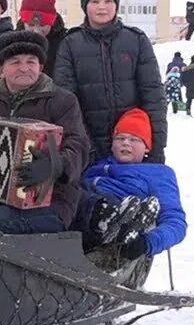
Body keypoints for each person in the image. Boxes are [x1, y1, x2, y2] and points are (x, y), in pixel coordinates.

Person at [0, 30, 91, 234]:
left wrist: (54, 165)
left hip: (51, 200)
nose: (24, 68)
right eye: (15, 62)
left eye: (31, 62)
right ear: (0, 70)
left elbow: (79, 146)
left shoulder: (62, 101)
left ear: (40, 67)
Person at [53, 0, 168, 162]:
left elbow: (153, 95)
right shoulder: (70, 44)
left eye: (108, 1)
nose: (102, 7)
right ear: (85, 5)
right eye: (95, 1)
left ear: (116, 4)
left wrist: (155, 146)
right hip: (88, 149)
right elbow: (67, 102)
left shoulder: (136, 40)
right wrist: (85, 146)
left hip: (132, 147)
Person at [77, 109, 187, 259]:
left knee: (86, 198)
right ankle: (108, 216)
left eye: (134, 139)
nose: (126, 143)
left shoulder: (158, 173)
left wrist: (147, 243)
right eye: (120, 138)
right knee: (72, 193)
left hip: (116, 203)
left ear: (147, 147)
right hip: (80, 212)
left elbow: (176, 222)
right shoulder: (94, 166)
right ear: (112, 144)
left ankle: (121, 220)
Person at [16, 0, 69, 77]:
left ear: (52, 22)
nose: (36, 31)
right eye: (31, 25)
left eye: (42, 25)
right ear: (23, 22)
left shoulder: (65, 43)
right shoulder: (13, 44)